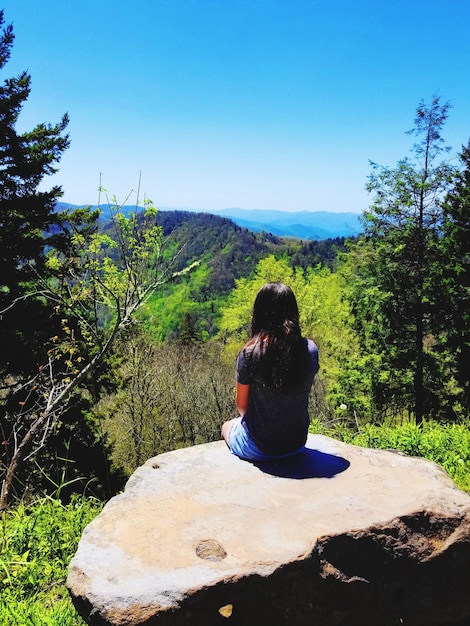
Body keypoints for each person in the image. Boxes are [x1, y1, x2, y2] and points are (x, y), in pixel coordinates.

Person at [221, 282, 319, 461]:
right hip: (296, 444)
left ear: (260, 313)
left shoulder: (250, 353)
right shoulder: (310, 350)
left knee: (226, 426)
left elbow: (242, 407)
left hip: (259, 447)